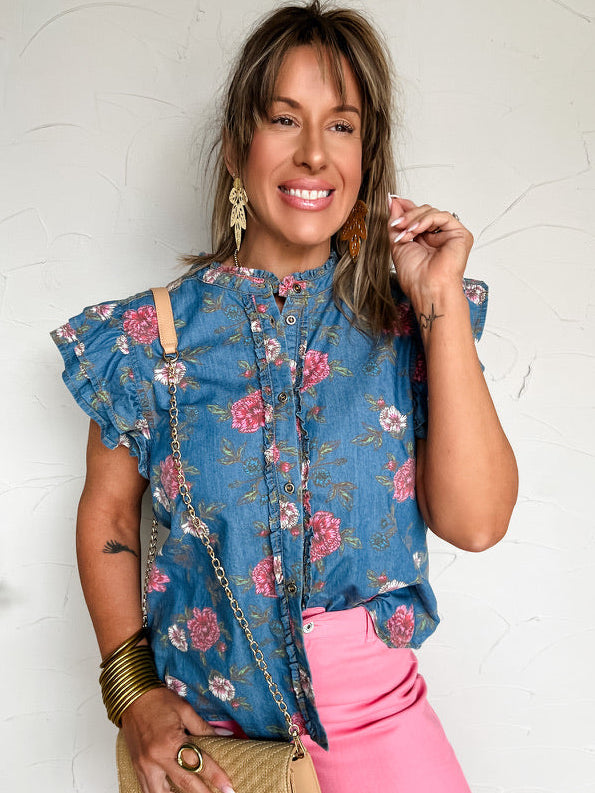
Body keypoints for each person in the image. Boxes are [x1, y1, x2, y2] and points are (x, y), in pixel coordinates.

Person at [51, 2, 518, 792]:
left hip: (378, 720)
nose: (312, 155)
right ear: (238, 145)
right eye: (282, 119)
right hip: (218, 748)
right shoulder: (146, 338)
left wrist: (436, 303)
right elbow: (108, 516)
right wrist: (133, 694)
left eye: (341, 126)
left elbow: (475, 523)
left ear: (367, 154)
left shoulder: (409, 321)